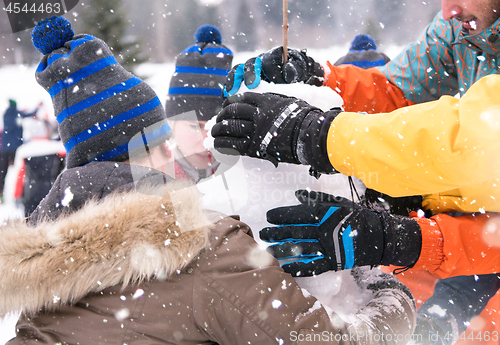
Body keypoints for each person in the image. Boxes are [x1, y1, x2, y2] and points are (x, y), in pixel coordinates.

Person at [1, 16, 416, 344]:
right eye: (161, 142)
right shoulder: (197, 246)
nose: (175, 153)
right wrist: (381, 285)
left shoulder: (37, 272)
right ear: (133, 156)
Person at [165, 24, 233, 183]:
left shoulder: (245, 177)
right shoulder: (150, 179)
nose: (206, 141)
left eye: (217, 127)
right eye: (195, 126)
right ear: (173, 124)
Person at [10, 116, 65, 217]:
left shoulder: (23, 151)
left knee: (32, 224)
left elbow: (19, 175)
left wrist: (16, 195)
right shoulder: (56, 147)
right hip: (52, 192)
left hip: (31, 194)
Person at [0, 99, 40, 200]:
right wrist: (37, 107)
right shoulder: (17, 113)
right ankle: (19, 195)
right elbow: (30, 114)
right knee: (19, 171)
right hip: (15, 149)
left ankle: (1, 194)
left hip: (4, 149)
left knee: (2, 172)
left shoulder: (6, 114)